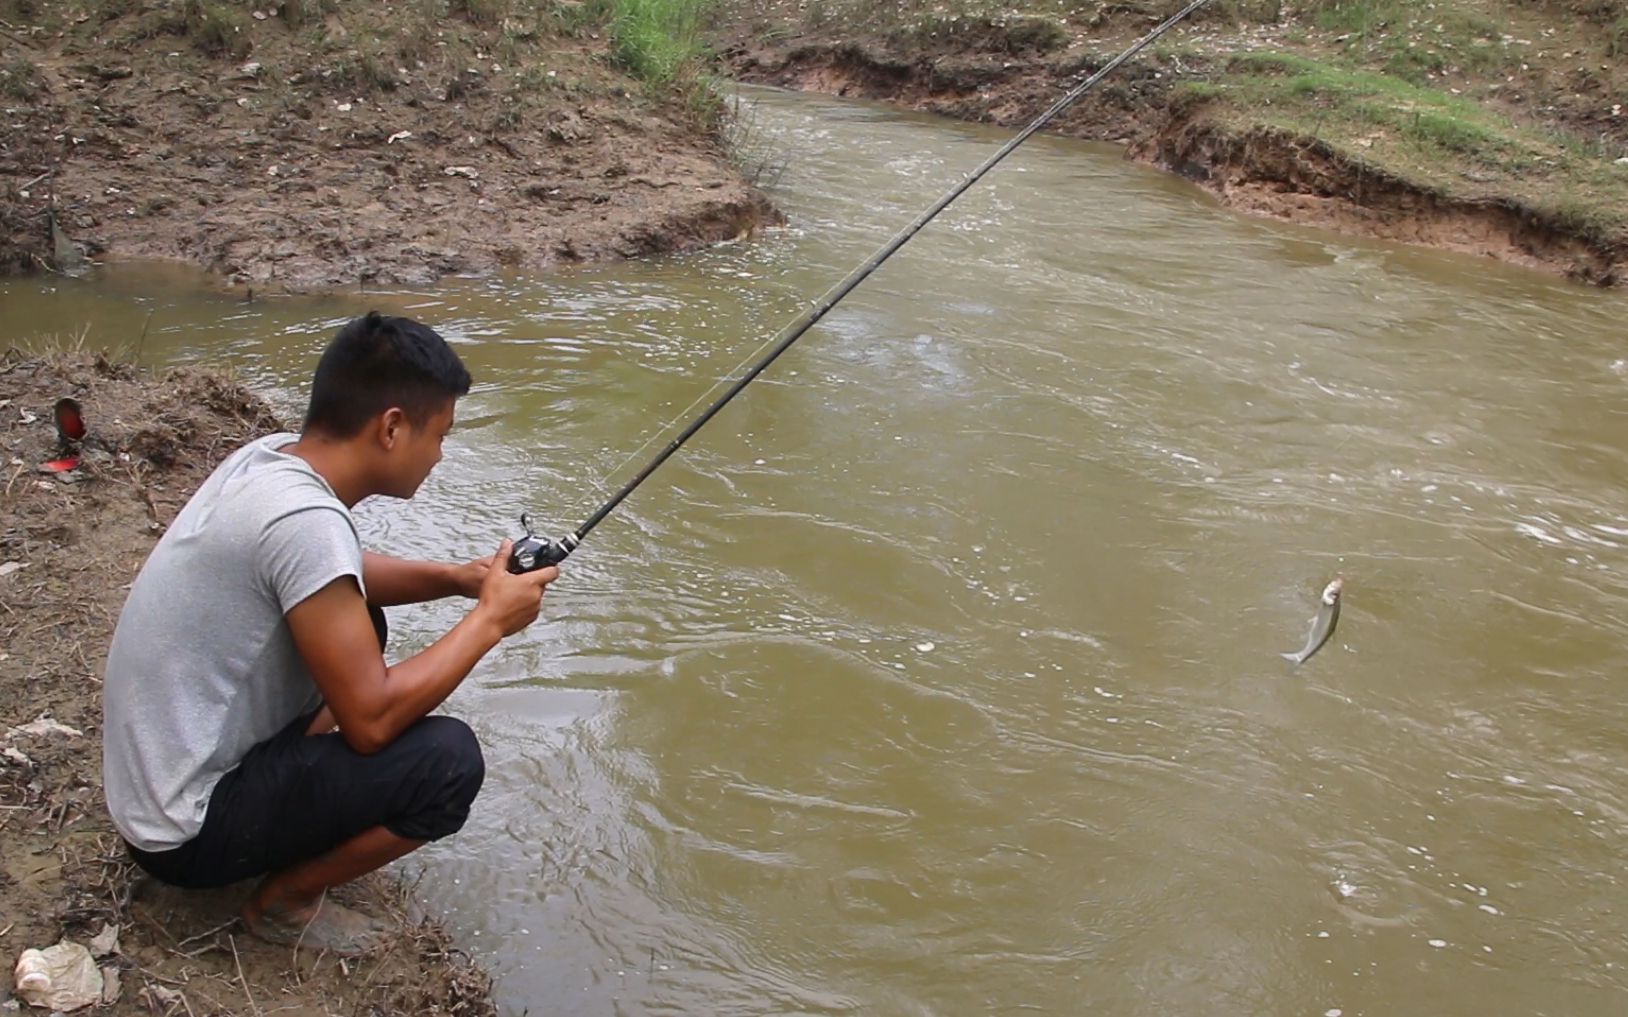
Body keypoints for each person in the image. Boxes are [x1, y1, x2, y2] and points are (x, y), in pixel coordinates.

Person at [102, 311, 558, 955]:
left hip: (154, 789)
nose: (441, 454)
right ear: (392, 427)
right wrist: (489, 621)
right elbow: (371, 722)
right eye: (441, 434)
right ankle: (282, 903)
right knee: (447, 763)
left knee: (360, 614)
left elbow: (338, 569)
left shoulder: (269, 462)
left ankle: (289, 803)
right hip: (184, 833)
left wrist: (457, 577)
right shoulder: (303, 520)